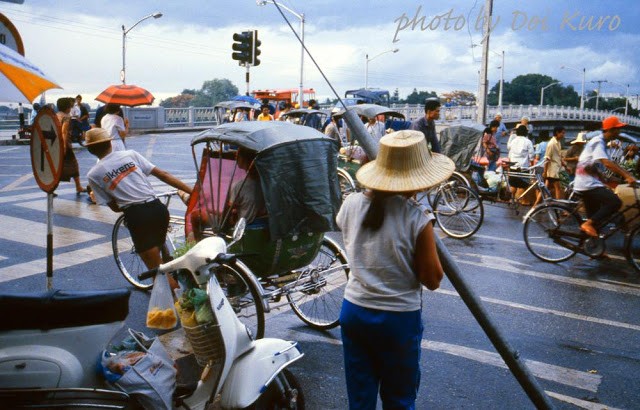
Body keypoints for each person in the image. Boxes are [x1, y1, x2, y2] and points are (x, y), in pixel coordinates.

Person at [336, 130, 452, 410]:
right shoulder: (417, 218)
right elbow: (432, 279)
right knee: (399, 399)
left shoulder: (350, 204)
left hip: (354, 311)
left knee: (360, 399)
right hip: (397, 320)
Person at [84, 128, 193, 270]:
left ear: (90, 150)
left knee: (157, 272)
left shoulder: (93, 174)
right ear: (110, 143)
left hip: (138, 216)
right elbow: (163, 175)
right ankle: (169, 268)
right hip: (159, 209)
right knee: (162, 260)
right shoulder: (130, 154)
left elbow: (115, 208)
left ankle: (173, 291)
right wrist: (193, 191)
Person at [574, 116, 636, 237]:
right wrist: (627, 176)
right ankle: (587, 225)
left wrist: (608, 179)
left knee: (595, 221)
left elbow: (594, 166)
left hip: (589, 182)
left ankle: (593, 249)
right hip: (587, 184)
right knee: (615, 202)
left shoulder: (602, 143)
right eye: (618, 129)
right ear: (611, 130)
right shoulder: (598, 142)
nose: (619, 132)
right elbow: (606, 163)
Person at [227, 148, 266, 225]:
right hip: (264, 223)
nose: (236, 157)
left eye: (238, 156)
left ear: (244, 159)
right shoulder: (266, 182)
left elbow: (231, 208)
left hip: (246, 227)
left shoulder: (239, 186)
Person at [56, 97, 86, 195]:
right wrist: (65, 146)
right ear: (66, 107)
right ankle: (78, 187)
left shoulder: (56, 116)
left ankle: (52, 188)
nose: (71, 108)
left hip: (55, 145)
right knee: (74, 165)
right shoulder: (66, 117)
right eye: (69, 106)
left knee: (56, 167)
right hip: (65, 144)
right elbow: (64, 132)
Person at [507, 124, 535, 204]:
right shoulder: (528, 142)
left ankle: (511, 199)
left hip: (513, 166)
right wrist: (532, 166)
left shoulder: (513, 141)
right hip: (523, 167)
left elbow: (510, 154)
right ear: (526, 133)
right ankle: (522, 200)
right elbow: (532, 156)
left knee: (513, 184)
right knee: (523, 184)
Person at [543, 126, 566, 199]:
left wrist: (564, 165)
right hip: (553, 170)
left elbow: (558, 156)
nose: (563, 135)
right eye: (562, 133)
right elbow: (547, 158)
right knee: (557, 188)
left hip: (555, 169)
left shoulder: (558, 143)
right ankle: (558, 205)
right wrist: (545, 172)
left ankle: (537, 204)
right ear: (557, 133)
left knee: (546, 189)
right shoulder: (551, 144)